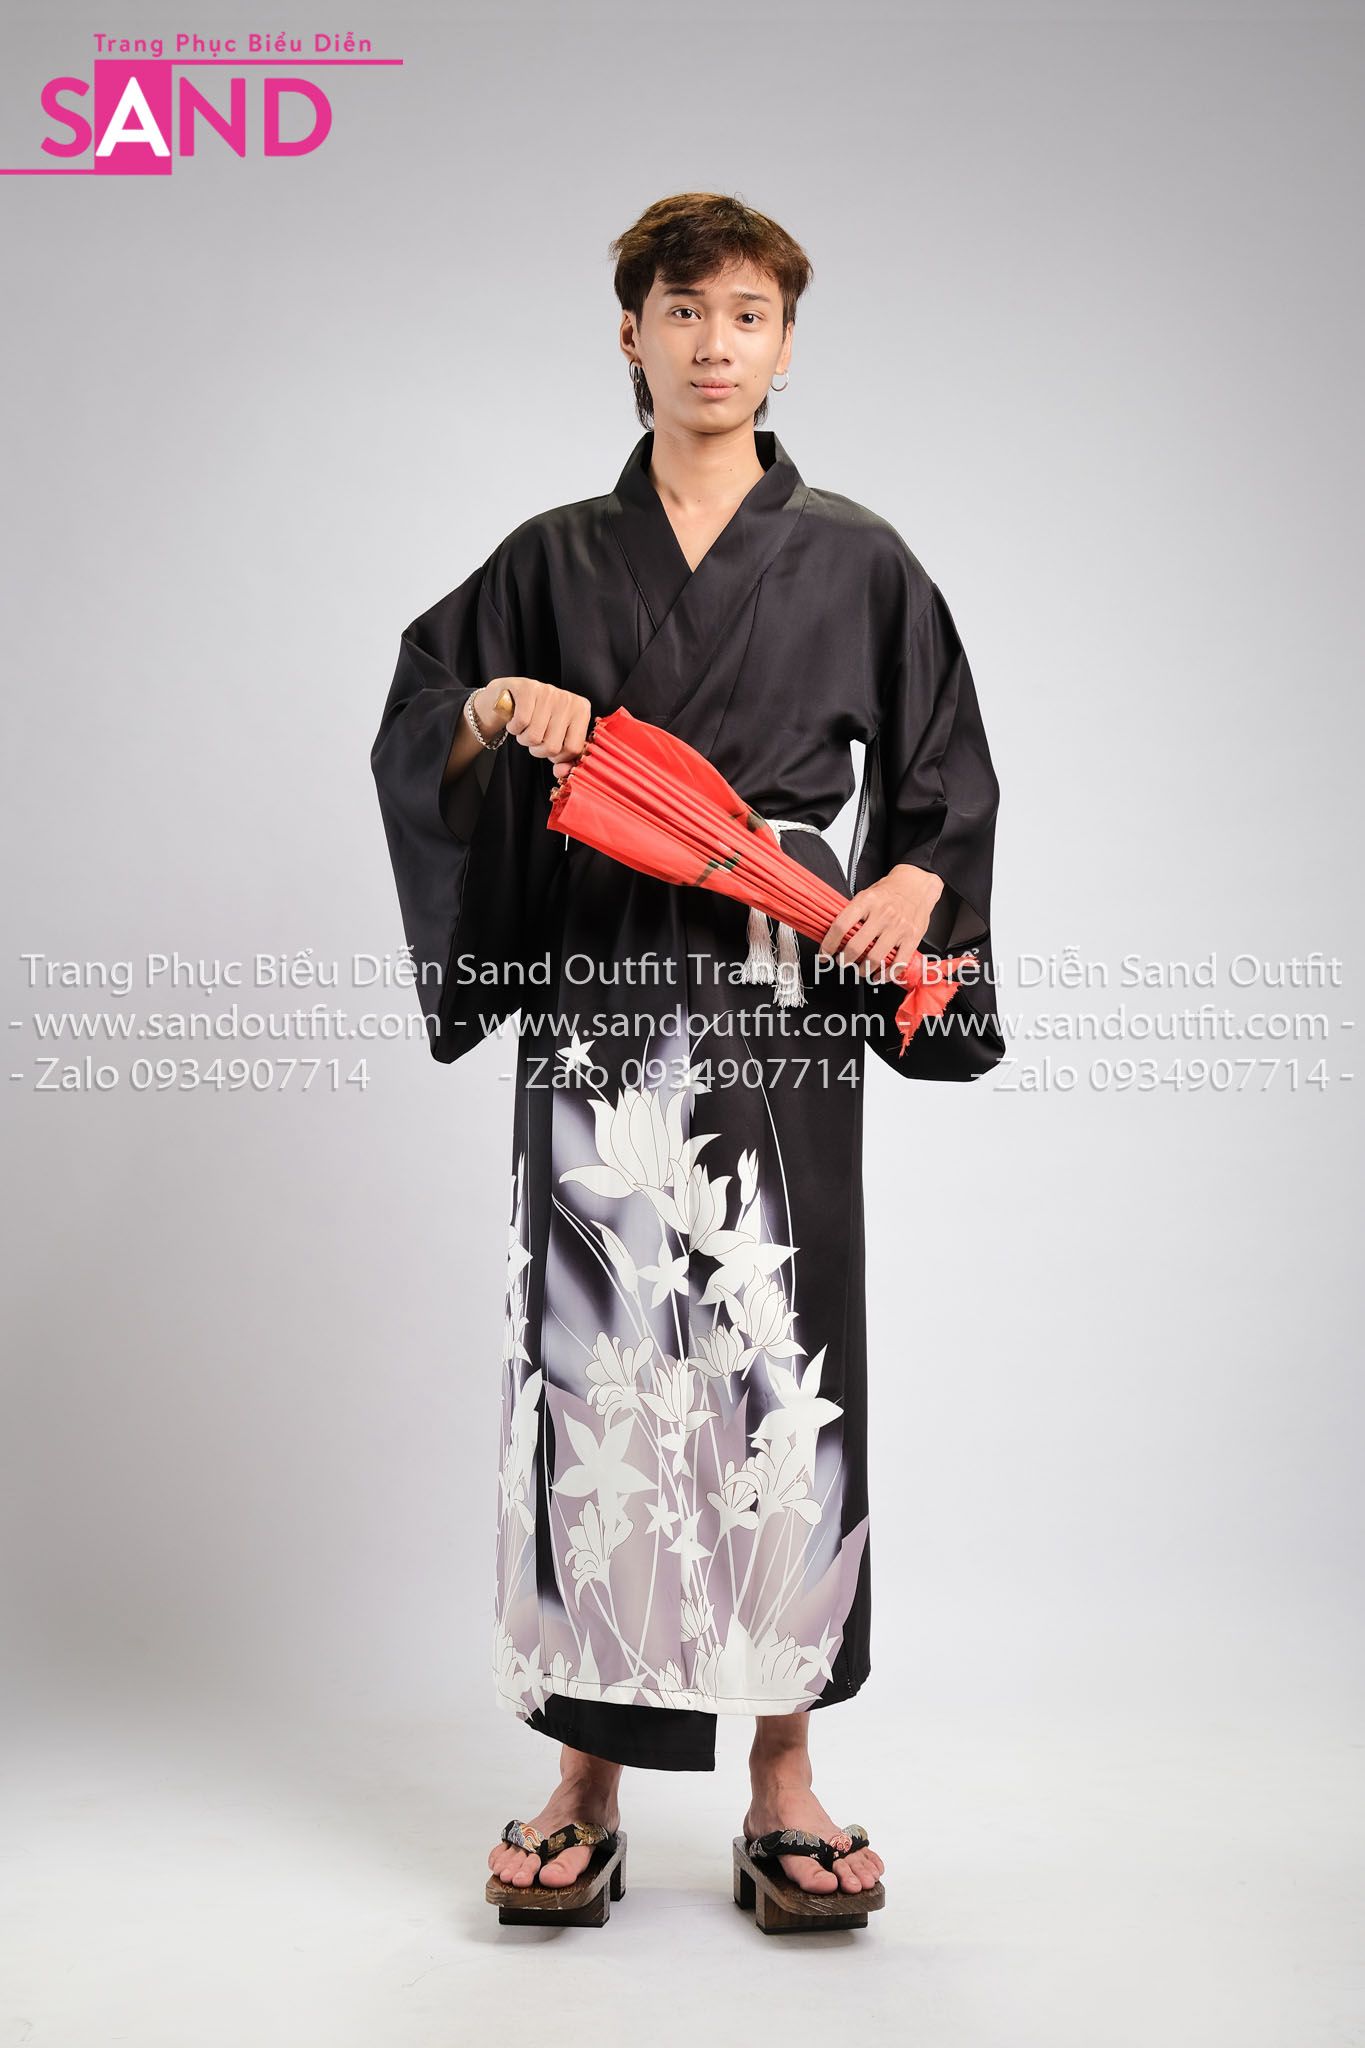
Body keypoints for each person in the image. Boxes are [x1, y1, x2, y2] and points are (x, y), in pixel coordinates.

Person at [370, 191, 1002, 1906]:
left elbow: (942, 776)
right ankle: (583, 1768)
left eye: (745, 315)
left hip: (773, 994)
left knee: (780, 1360)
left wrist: (915, 878)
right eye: (681, 311)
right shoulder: (548, 558)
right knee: (595, 1355)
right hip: (597, 992)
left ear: (784, 345)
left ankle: (782, 1769)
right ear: (629, 335)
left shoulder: (859, 558)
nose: (712, 344)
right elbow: (424, 713)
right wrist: (490, 711)